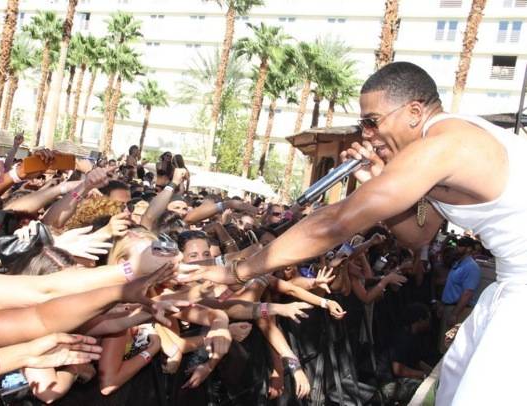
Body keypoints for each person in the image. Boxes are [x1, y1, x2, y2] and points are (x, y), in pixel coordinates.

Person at [183, 61, 527, 405]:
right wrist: (378, 182)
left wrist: (236, 270)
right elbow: (419, 235)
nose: (367, 135)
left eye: (372, 122)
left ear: (414, 112)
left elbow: (336, 221)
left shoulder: (442, 145)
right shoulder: (441, 144)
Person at [439, 236, 481, 352]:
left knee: (449, 347)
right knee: (443, 346)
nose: (457, 248)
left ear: (469, 249)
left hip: (459, 310)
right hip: (450, 308)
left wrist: (454, 314)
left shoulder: (472, 267)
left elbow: (468, 293)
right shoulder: (458, 263)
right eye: (457, 245)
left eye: (461, 246)